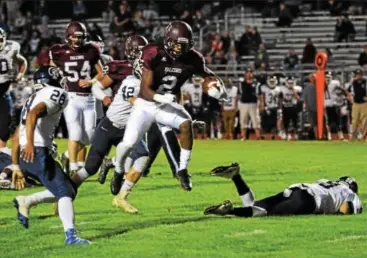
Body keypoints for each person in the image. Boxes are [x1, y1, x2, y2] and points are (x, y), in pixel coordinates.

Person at [113, 21, 226, 192]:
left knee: (186, 123)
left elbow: (208, 76)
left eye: (184, 45)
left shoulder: (193, 58)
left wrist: (218, 87)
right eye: (178, 44)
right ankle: (118, 169)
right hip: (146, 104)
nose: (180, 49)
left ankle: (182, 169)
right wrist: (161, 97)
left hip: (165, 105)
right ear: (168, 41)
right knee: (127, 145)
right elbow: (144, 90)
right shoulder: (153, 53)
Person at [69, 35, 149, 214]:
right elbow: (97, 85)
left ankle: (121, 196)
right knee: (89, 168)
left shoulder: (150, 72)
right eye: (141, 53)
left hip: (131, 127)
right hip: (112, 121)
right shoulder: (120, 68)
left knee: (142, 157)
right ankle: (64, 194)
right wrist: (104, 97)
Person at [12, 66, 90, 245]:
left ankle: (27, 200)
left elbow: (16, 135)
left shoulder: (31, 98)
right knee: (66, 190)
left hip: (25, 155)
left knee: (65, 188)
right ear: (52, 79)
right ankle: (71, 236)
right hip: (36, 151)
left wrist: (16, 165)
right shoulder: (56, 93)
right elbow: (34, 114)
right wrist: (31, 145)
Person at [204, 163, 362, 217]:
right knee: (264, 213)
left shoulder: (327, 181)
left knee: (254, 205)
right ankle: (229, 211)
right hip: (309, 201)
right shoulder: (350, 193)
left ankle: (236, 177)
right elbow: (345, 209)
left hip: (298, 189)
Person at [49, 21, 103, 176]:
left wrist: (91, 81)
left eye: (80, 37)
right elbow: (51, 70)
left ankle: (66, 156)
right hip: (70, 97)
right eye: (75, 37)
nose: (78, 40)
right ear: (68, 36)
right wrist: (58, 81)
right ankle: (73, 167)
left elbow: (101, 72)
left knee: (90, 136)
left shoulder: (91, 50)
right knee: (75, 132)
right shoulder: (59, 52)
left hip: (88, 98)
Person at [0, 27, 28, 150]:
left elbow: (23, 61)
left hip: (4, 96)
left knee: (3, 134)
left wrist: (20, 74)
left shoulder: (11, 48)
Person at [238, 69, 262, 140]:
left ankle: (258, 137)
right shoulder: (242, 83)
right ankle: (243, 136)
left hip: (253, 104)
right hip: (244, 104)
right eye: (247, 73)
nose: (249, 74)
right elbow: (239, 94)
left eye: (250, 73)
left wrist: (261, 104)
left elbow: (260, 95)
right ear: (245, 74)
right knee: (243, 120)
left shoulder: (256, 83)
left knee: (256, 121)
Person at [347, 69, 367, 140]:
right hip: (355, 103)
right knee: (355, 120)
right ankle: (354, 137)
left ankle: (364, 137)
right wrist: (350, 99)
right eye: (357, 74)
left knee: (364, 121)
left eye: (360, 74)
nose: (358, 76)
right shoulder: (352, 82)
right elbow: (348, 91)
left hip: (364, 103)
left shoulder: (365, 81)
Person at [279, 76, 302, 140]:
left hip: (293, 107)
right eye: (289, 83)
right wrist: (280, 108)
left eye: (291, 83)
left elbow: (299, 99)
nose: (290, 84)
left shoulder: (297, 88)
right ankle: (286, 135)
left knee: (295, 122)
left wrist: (295, 93)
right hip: (285, 107)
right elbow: (280, 99)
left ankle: (296, 135)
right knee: (286, 122)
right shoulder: (282, 89)